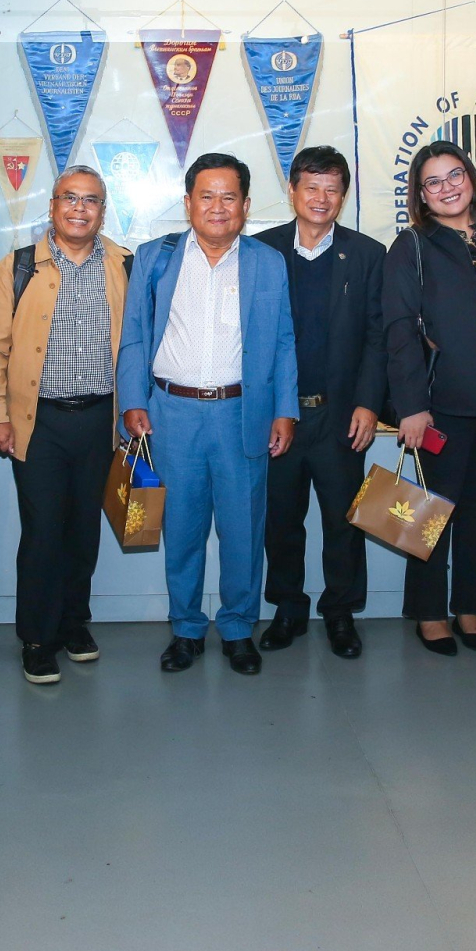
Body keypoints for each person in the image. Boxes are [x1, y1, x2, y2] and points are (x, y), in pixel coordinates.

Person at [117, 152, 297, 675]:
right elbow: (133, 336)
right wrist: (132, 399)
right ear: (188, 201)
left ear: (244, 204)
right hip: (171, 412)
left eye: (229, 197)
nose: (217, 207)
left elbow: (284, 342)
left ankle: (239, 627)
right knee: (183, 526)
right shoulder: (155, 257)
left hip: (243, 413)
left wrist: (285, 410)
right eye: (206, 195)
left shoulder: (266, 261)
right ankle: (187, 629)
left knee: (243, 529)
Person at [0, 167, 133, 684]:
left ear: (102, 211)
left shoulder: (126, 266)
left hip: (100, 422)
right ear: (53, 206)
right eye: (70, 198)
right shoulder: (18, 267)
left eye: (91, 201)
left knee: (84, 531)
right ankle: (37, 638)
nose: (80, 209)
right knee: (43, 532)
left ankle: (73, 624)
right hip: (36, 423)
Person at [383, 141, 476, 655]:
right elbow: (399, 330)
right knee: (432, 510)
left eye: (454, 175)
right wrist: (412, 407)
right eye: (433, 181)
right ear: (420, 195)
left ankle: (470, 608)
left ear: (471, 177)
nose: (447, 187)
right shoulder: (413, 245)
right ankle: (429, 612)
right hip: (439, 404)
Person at [255, 146, 386, 660]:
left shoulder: (369, 254)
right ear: (292, 191)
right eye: (311, 187)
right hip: (278, 416)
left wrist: (370, 404)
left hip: (340, 414)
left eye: (332, 188)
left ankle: (340, 613)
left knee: (343, 520)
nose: (321, 198)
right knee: (281, 521)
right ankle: (288, 608)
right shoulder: (261, 251)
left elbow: (378, 338)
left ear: (343, 195)